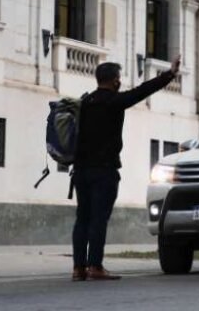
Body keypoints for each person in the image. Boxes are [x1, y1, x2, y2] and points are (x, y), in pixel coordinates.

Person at [72, 55, 181, 281]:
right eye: (119, 78)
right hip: (103, 171)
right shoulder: (113, 101)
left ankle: (78, 268)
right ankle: (95, 266)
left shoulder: (84, 103)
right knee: (99, 219)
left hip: (81, 171)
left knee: (82, 218)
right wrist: (169, 74)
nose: (120, 82)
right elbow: (143, 90)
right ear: (114, 81)